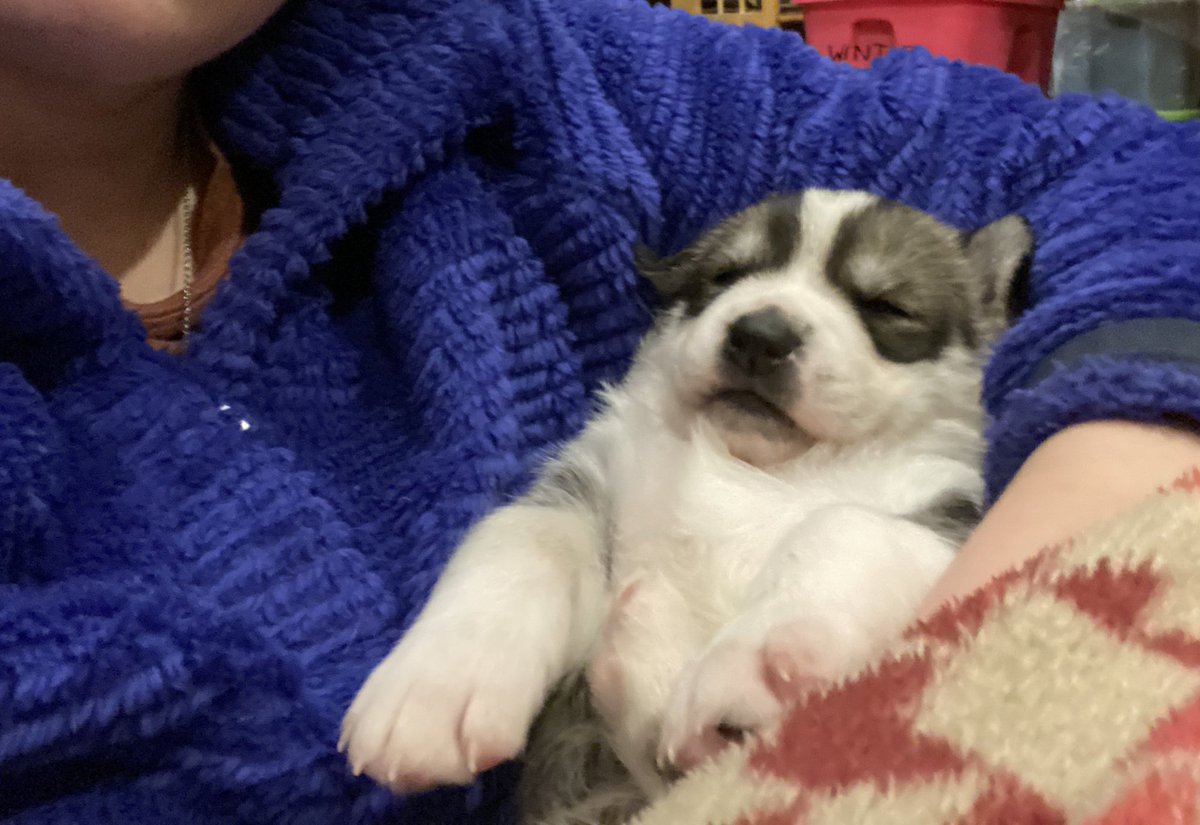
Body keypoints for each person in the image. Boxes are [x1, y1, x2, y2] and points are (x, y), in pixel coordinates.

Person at [1, 0, 1198, 822]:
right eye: (724, 282)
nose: (772, 323)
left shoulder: (546, 77)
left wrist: (1038, 580)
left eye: (878, 311)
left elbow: (1134, 172)